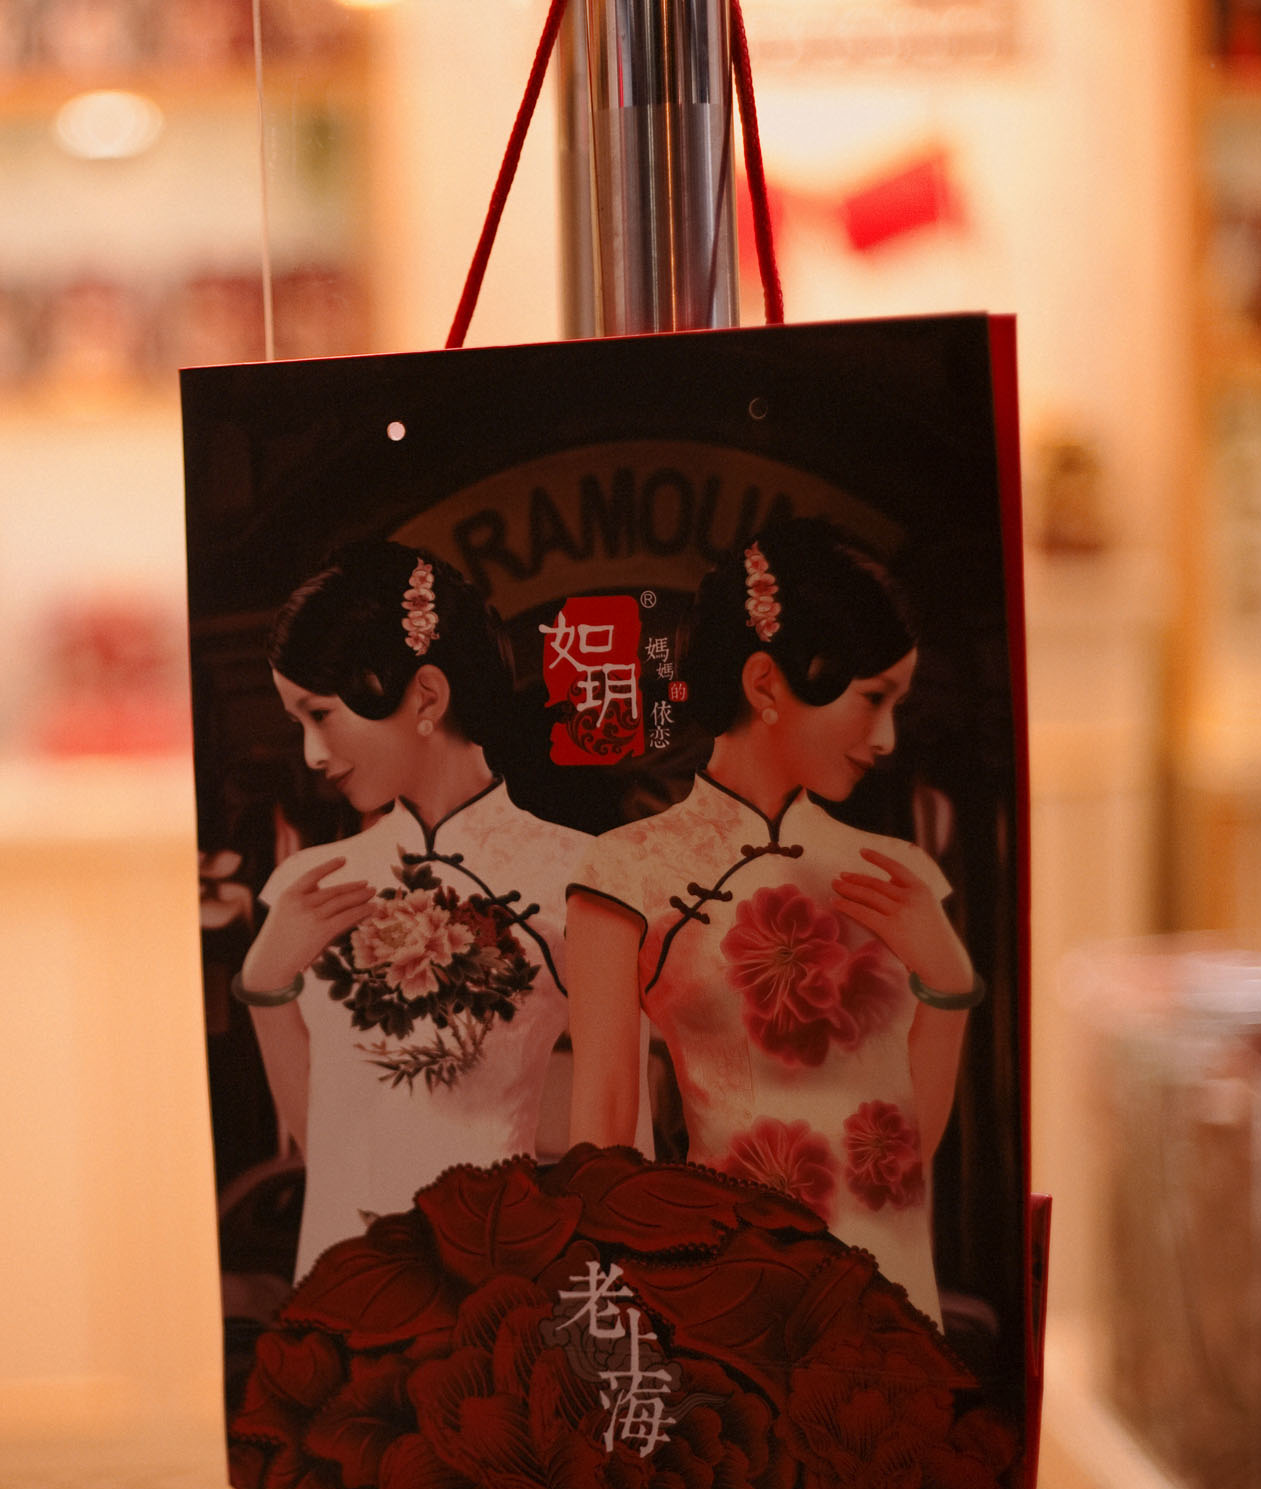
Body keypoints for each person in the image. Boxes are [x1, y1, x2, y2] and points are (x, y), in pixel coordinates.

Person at [564, 520, 977, 1325]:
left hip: (889, 1297)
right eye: (872, 699)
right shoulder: (627, 872)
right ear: (766, 683)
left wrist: (950, 981)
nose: (887, 739)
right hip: (727, 1299)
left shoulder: (900, 877)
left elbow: (903, 1157)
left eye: (896, 703)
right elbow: (607, 1127)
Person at [235, 542, 589, 1280]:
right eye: (299, 722)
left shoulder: (576, 874)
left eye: (321, 715)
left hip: (499, 1276)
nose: (312, 754)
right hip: (344, 1268)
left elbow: (619, 1139)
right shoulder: (307, 887)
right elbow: (320, 1143)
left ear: (426, 697)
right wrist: (265, 983)